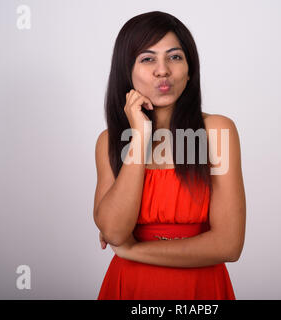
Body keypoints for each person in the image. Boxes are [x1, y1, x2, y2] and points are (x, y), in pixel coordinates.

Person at [93, 11, 246, 300]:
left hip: (201, 289)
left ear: (189, 69)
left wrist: (133, 249)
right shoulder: (110, 142)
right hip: (131, 287)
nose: (162, 70)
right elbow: (114, 230)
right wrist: (139, 135)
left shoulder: (216, 132)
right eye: (147, 58)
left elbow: (228, 245)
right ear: (127, 71)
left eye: (174, 57)